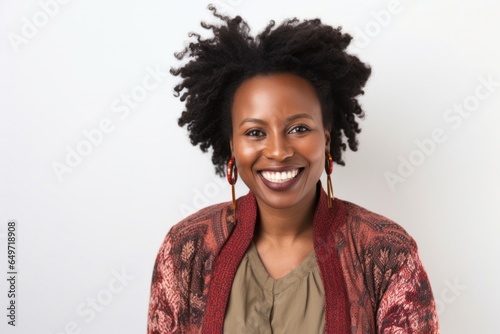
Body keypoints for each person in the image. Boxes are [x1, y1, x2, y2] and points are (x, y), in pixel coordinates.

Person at [148, 6, 439, 334]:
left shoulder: (386, 252)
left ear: (326, 137)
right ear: (232, 145)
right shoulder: (187, 248)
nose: (278, 151)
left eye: (299, 129)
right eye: (255, 132)